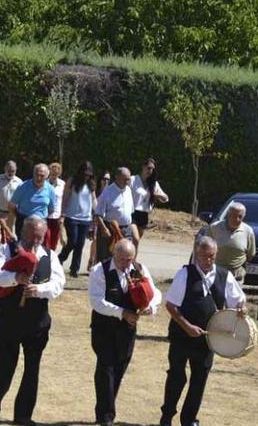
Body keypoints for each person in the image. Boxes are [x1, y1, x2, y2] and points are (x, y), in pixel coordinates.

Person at [159, 236, 246, 426]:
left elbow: (238, 300)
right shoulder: (185, 274)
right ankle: (166, 416)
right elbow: (171, 306)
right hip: (182, 335)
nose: (208, 260)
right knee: (176, 376)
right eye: (204, 256)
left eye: (212, 256)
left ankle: (189, 420)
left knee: (199, 379)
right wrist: (187, 327)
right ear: (196, 254)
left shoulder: (225, 275)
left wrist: (242, 307)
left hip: (208, 339)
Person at [0, 217, 65, 425]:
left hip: (37, 322)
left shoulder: (50, 256)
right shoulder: (7, 250)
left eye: (39, 237)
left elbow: (58, 284)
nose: (35, 241)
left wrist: (39, 290)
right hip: (9, 320)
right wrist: (15, 278)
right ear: (23, 233)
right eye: (31, 236)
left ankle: (23, 416)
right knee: (4, 365)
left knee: (32, 369)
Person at [88, 239, 161, 426]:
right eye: (122, 260)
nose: (126, 264)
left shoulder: (139, 268)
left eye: (129, 259)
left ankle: (105, 411)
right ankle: (105, 416)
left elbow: (155, 293)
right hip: (104, 328)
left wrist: (150, 307)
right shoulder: (100, 270)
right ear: (114, 254)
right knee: (106, 368)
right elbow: (97, 302)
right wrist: (122, 313)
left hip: (127, 330)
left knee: (119, 368)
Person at [59, 161, 96, 277]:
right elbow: (65, 198)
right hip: (71, 216)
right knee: (72, 242)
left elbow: (94, 200)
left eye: (88, 175)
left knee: (80, 244)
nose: (86, 177)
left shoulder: (91, 184)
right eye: (85, 174)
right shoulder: (72, 181)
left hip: (85, 218)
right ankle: (60, 258)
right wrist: (62, 214)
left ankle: (74, 269)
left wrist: (99, 212)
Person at [202, 202, 255, 281]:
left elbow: (251, 254)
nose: (236, 219)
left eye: (240, 216)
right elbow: (205, 248)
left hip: (236, 274)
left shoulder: (248, 231)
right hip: (215, 272)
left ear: (244, 217)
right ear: (228, 215)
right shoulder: (214, 228)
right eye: (233, 216)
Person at [93, 167, 137, 263]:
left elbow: (130, 212)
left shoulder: (129, 190)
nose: (127, 181)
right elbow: (98, 214)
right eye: (125, 179)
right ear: (117, 177)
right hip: (109, 229)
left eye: (128, 179)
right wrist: (104, 229)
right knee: (106, 259)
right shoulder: (107, 192)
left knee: (124, 258)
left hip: (126, 229)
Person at [7, 163, 55, 235]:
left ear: (47, 177)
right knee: (22, 245)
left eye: (42, 176)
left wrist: (41, 218)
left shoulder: (50, 189)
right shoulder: (23, 186)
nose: (38, 178)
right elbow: (11, 205)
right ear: (33, 174)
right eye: (37, 174)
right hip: (24, 222)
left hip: (41, 223)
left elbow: (51, 209)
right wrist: (19, 216)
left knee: (38, 245)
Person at [130, 158, 169, 238]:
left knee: (136, 241)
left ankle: (133, 251)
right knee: (135, 239)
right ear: (143, 167)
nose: (150, 171)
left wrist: (158, 196)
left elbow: (166, 198)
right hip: (132, 213)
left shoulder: (153, 184)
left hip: (144, 215)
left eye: (152, 169)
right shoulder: (133, 180)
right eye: (148, 168)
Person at [44, 162, 65, 251]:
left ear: (59, 174)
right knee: (46, 239)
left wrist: (63, 216)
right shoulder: (44, 184)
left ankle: (51, 259)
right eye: (52, 173)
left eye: (56, 174)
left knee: (54, 241)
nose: (54, 175)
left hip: (57, 216)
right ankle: (44, 260)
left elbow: (64, 200)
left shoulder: (63, 184)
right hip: (46, 215)